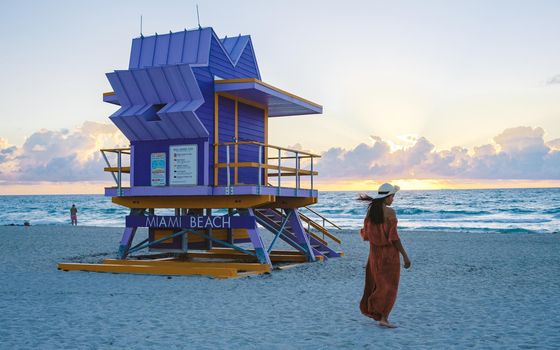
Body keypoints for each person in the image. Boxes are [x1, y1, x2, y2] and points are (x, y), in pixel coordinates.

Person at [358, 183, 411, 328]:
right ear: (387, 197)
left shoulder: (371, 213)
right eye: (392, 196)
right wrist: (405, 256)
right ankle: (383, 318)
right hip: (389, 255)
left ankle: (378, 313)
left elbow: (366, 235)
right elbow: (394, 238)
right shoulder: (390, 213)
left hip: (374, 254)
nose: (393, 199)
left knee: (376, 284)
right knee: (389, 286)